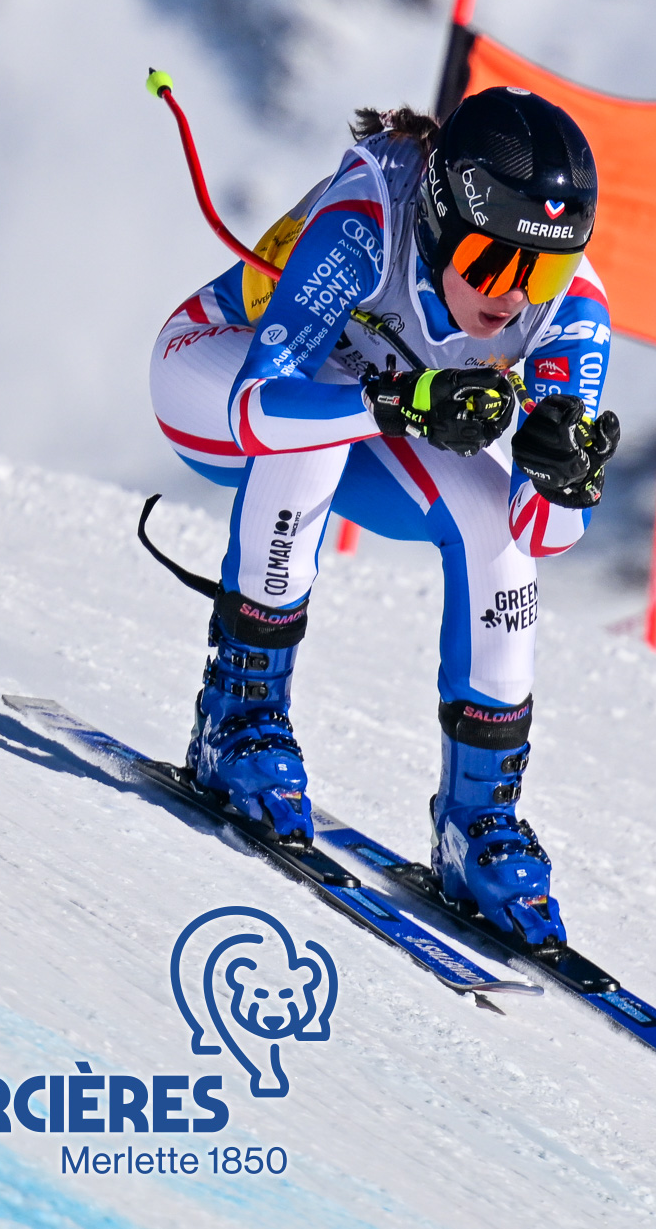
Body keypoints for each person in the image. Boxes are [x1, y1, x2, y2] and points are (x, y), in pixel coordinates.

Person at [149, 86, 620, 946]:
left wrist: (565, 482)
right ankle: (237, 718)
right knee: (317, 425)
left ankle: (478, 820)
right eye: (492, 264)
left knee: (493, 522)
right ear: (438, 221)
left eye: (544, 269)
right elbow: (257, 406)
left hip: (365, 416)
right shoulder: (372, 216)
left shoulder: (571, 313)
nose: (515, 298)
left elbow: (544, 536)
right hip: (211, 378)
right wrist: (396, 405)